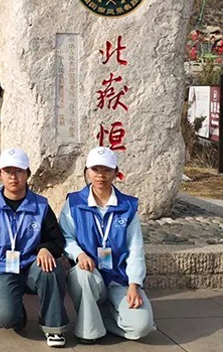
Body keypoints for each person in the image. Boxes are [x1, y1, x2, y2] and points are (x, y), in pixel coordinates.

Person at [59, 147, 155, 344]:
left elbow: (136, 249)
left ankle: (99, 317)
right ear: (87, 171)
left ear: (115, 172)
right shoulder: (75, 203)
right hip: (90, 274)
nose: (100, 175)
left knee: (142, 327)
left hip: (119, 278)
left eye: (107, 170)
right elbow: (66, 237)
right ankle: (89, 331)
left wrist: (134, 285)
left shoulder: (127, 207)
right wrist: (79, 255)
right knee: (81, 274)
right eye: (95, 169)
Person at [0, 148, 69, 348]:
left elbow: (57, 240)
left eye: (18, 171)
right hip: (2, 270)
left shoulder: (41, 206)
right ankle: (16, 313)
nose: (13, 176)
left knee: (51, 268)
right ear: (0, 174)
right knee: (5, 316)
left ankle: (53, 328)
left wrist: (46, 248)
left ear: (27, 173)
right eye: (8, 171)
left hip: (31, 267)